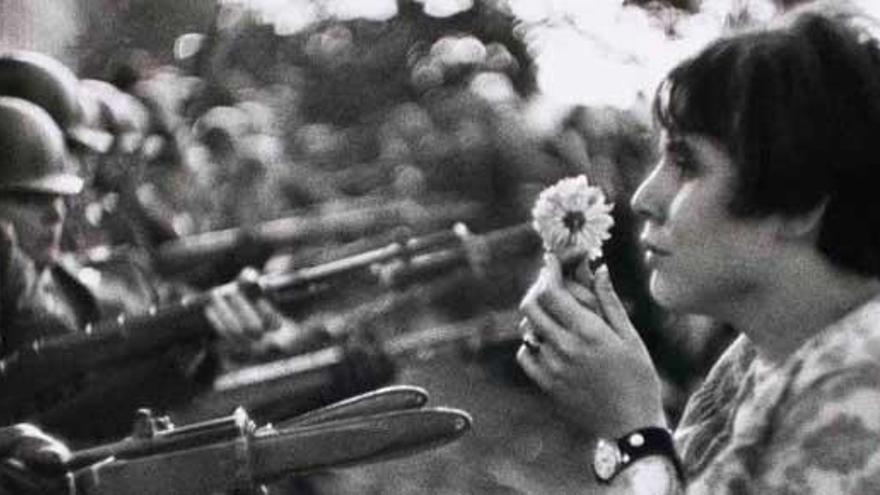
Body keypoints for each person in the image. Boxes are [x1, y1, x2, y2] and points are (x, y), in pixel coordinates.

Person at [517, 4, 880, 493]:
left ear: (800, 201)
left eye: (686, 164)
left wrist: (632, 430)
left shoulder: (861, 386)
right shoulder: (761, 354)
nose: (644, 199)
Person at [0, 96, 316, 443]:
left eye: (57, 197)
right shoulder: (36, 294)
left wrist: (188, 344)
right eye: (30, 199)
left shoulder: (69, 277)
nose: (56, 214)